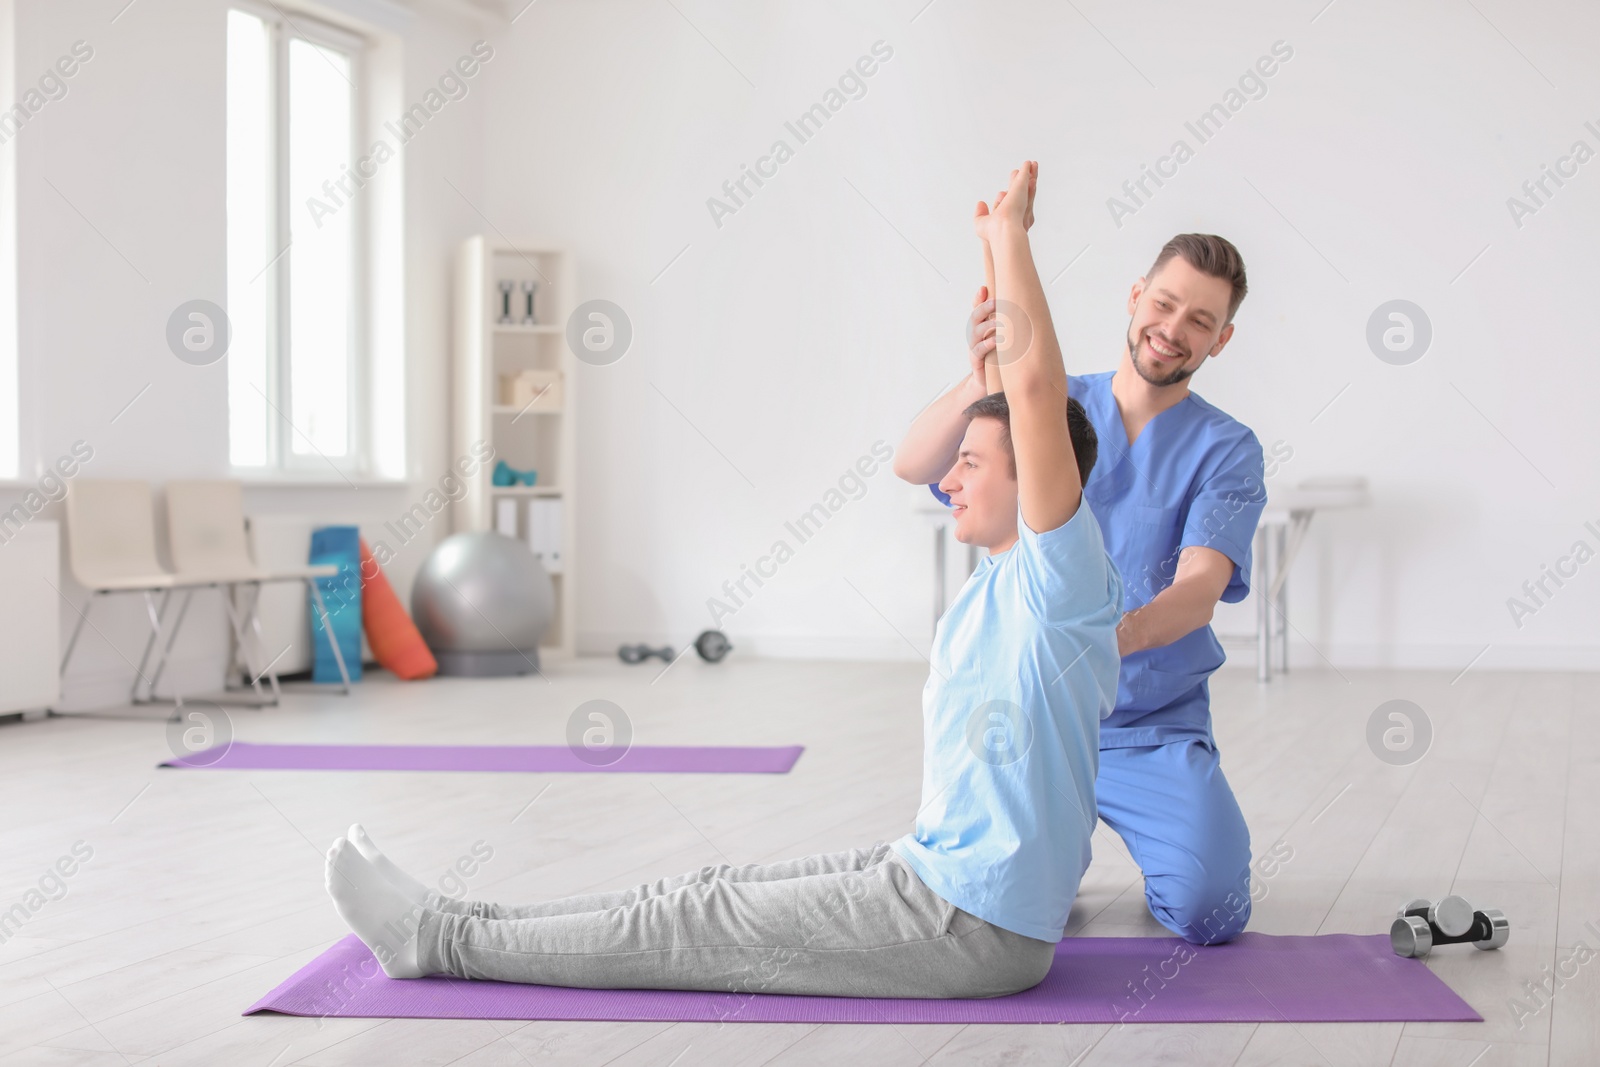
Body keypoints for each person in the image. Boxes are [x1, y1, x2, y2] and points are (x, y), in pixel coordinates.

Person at [323, 161, 1124, 998]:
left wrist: (1007, 237)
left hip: (971, 925)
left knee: (693, 928)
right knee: (698, 896)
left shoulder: (1056, 577)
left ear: (1033, 481)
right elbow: (968, 416)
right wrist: (987, 326)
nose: (948, 479)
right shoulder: (1008, 573)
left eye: (970, 464)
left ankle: (435, 938)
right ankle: (455, 918)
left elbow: (1031, 395)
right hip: (940, 877)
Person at [894, 192, 1266, 945]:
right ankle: (1047, 858)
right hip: (1032, 720)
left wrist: (1098, 639)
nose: (1173, 329)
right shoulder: (1055, 405)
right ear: (1136, 298)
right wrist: (979, 382)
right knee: (992, 899)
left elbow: (1196, 591)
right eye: (1164, 303)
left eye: (1200, 320)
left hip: (1148, 728)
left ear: (1221, 339)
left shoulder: (1227, 449)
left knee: (1211, 911)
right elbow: (915, 462)